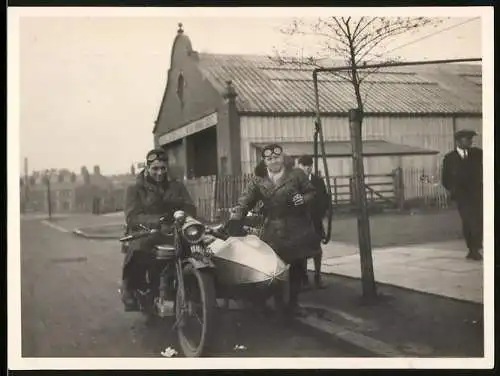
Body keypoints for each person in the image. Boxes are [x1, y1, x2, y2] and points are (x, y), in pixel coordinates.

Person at [230, 143, 322, 317]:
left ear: (283, 158)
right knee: (272, 268)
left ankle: (293, 303)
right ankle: (277, 302)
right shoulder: (258, 180)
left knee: (296, 267)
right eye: (269, 159)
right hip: (273, 228)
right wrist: (237, 216)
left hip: (297, 228)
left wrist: (302, 199)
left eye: (277, 157)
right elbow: (245, 200)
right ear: (264, 161)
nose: (274, 161)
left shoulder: (297, 174)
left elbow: (312, 192)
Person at [121, 148, 197, 311]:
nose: (160, 172)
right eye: (155, 168)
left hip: (173, 229)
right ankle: (132, 289)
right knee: (139, 249)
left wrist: (183, 213)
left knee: (199, 245)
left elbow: (191, 208)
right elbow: (132, 217)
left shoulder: (176, 186)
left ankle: (195, 286)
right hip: (145, 231)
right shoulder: (135, 189)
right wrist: (157, 221)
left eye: (163, 168)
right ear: (147, 168)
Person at [441, 130, 483, 261]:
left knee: (479, 221)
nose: (470, 141)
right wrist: (454, 190)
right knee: (468, 221)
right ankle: (473, 248)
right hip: (462, 197)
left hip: (478, 194)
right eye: (467, 139)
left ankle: (476, 247)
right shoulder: (450, 158)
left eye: (471, 139)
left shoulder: (477, 154)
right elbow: (445, 179)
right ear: (458, 141)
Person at [297, 155, 329, 289]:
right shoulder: (294, 182)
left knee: (316, 250)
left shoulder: (318, 181)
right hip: (300, 223)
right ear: (299, 166)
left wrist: (319, 213)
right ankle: (304, 279)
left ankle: (317, 276)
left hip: (315, 221)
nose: (307, 168)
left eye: (309, 165)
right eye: (304, 165)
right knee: (301, 251)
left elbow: (324, 198)